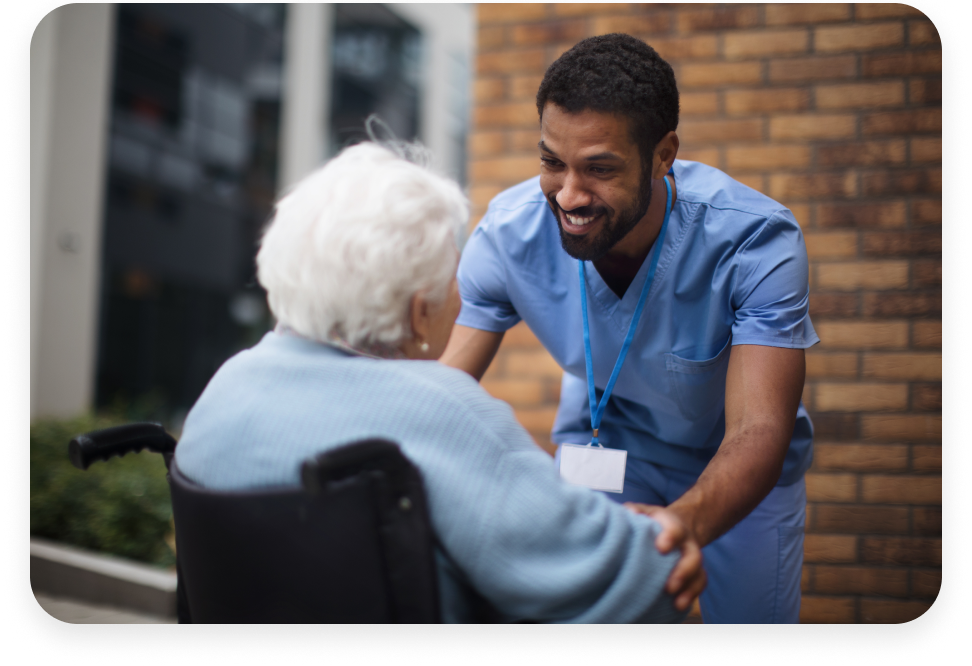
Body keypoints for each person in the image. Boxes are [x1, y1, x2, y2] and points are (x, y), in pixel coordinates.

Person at [174, 140, 705, 623]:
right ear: (416, 311)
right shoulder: (438, 410)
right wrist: (660, 540)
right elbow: (638, 583)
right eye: (455, 273)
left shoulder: (225, 388)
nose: (461, 292)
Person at [442, 34, 818, 624]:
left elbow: (759, 427)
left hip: (738, 465)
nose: (568, 194)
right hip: (607, 446)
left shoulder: (755, 240)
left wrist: (683, 522)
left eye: (599, 169)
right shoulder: (508, 235)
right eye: (551, 162)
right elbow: (443, 388)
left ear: (663, 154)